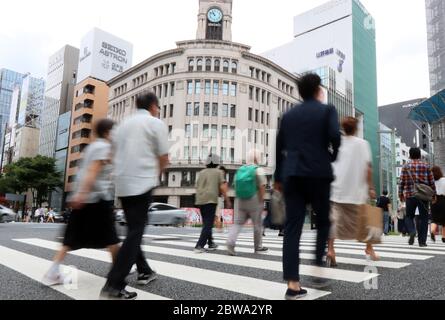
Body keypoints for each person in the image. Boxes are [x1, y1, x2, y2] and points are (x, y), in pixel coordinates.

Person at [274, 73, 341, 300]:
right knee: (323, 221)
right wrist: (332, 156)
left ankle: (293, 284)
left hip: (292, 174)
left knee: (293, 227)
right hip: (318, 172)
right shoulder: (327, 110)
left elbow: (279, 146)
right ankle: (317, 263)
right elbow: (335, 137)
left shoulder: (289, 115)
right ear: (317, 90)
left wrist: (278, 177)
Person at [101, 92, 169, 300]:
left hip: (122, 184)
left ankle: (144, 270)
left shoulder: (123, 125)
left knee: (133, 230)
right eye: (158, 107)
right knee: (136, 232)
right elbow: (164, 157)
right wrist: (156, 174)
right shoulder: (155, 123)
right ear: (153, 106)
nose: (158, 110)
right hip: (142, 182)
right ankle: (114, 283)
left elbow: (111, 155)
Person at [43, 119, 120, 286]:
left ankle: (53, 272)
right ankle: (117, 277)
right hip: (96, 200)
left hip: (84, 199)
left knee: (71, 239)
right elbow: (92, 172)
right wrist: (83, 194)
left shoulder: (92, 147)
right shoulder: (103, 147)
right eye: (114, 131)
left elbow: (86, 172)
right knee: (112, 239)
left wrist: (79, 195)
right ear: (107, 132)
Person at [327, 117, 379, 267]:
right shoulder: (363, 144)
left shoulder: (339, 143)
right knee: (369, 219)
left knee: (334, 221)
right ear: (356, 128)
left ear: (343, 128)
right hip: (357, 190)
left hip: (337, 188)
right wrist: (370, 187)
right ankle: (369, 248)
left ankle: (331, 250)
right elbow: (368, 168)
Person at [227, 149, 269, 256]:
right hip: (254, 198)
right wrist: (261, 200)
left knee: (238, 223)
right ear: (256, 158)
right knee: (257, 225)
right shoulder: (258, 169)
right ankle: (258, 247)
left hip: (240, 199)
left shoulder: (240, 169)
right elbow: (262, 185)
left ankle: (230, 243)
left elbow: (235, 185)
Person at [399, 148, 436, 247]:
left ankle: (412, 231)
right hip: (423, 196)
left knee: (409, 216)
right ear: (420, 155)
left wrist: (400, 195)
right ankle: (422, 242)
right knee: (424, 218)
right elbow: (431, 182)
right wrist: (434, 194)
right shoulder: (426, 165)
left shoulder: (405, 166)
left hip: (410, 195)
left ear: (410, 156)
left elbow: (401, 182)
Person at [194, 154, 230, 253]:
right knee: (208, 224)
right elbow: (222, 187)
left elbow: (197, 185)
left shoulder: (202, 172)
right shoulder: (218, 172)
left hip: (200, 200)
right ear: (217, 162)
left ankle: (210, 243)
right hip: (211, 199)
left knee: (206, 223)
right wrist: (227, 199)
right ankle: (199, 245)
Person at [431, 166, 445, 243]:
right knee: (444, 220)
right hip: (443, 200)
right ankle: (444, 237)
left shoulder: (431, 181)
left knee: (434, 219)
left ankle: (432, 230)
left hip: (433, 201)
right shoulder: (444, 180)